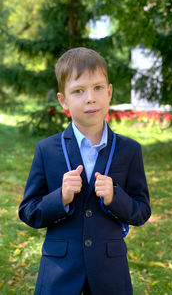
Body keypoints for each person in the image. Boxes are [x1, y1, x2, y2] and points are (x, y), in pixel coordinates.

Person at [18, 47, 151, 295]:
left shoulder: (130, 150)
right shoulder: (46, 149)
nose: (90, 97)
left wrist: (115, 197)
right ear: (63, 100)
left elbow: (142, 211)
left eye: (98, 88)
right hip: (59, 274)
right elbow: (28, 211)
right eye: (78, 91)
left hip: (110, 275)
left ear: (109, 92)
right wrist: (60, 198)